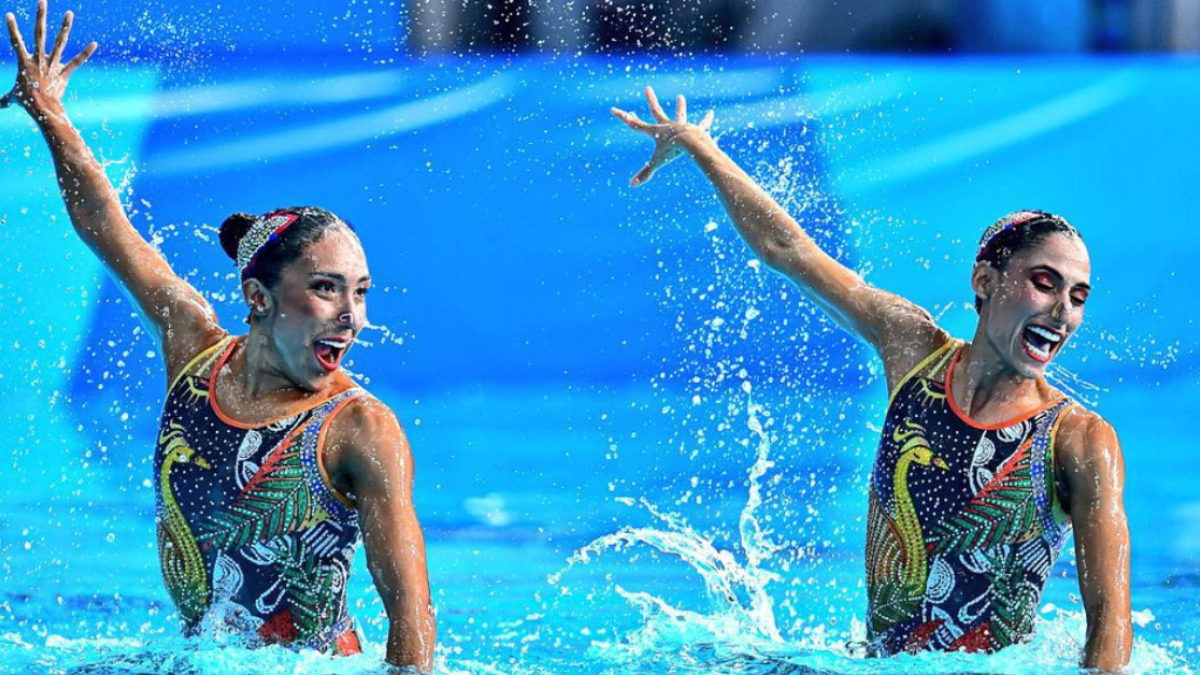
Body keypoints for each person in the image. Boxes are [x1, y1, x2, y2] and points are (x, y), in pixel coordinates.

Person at [612, 88, 1131, 670]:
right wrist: (700, 146)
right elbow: (788, 249)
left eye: (1078, 296)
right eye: (1045, 282)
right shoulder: (914, 350)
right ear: (985, 280)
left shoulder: (1079, 440)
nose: (1064, 311)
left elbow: (1110, 623)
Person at [3, 3, 436, 670]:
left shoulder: (361, 430)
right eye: (326, 287)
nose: (351, 314)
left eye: (361, 292)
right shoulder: (194, 347)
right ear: (258, 297)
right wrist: (52, 117)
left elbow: (411, 615)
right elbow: (107, 226)